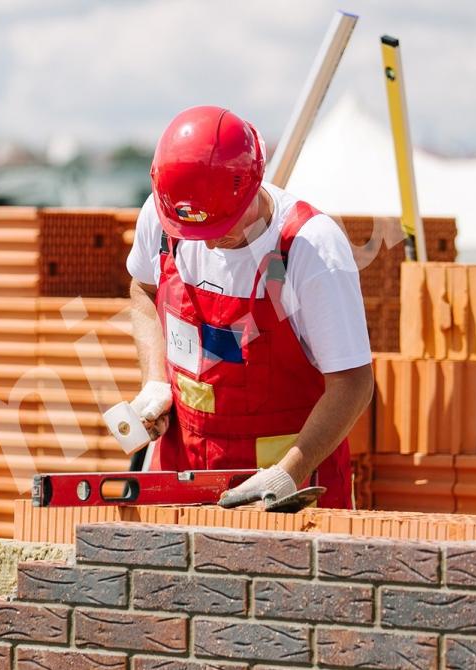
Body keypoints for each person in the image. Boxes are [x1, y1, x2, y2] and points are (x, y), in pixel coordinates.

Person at [125, 106, 373, 509]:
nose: (204, 243)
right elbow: (143, 288)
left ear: (251, 190)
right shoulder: (168, 216)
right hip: (183, 472)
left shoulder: (309, 249)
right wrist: (155, 381)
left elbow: (353, 383)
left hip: (288, 493)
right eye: (192, 232)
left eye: (218, 230)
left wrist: (289, 472)